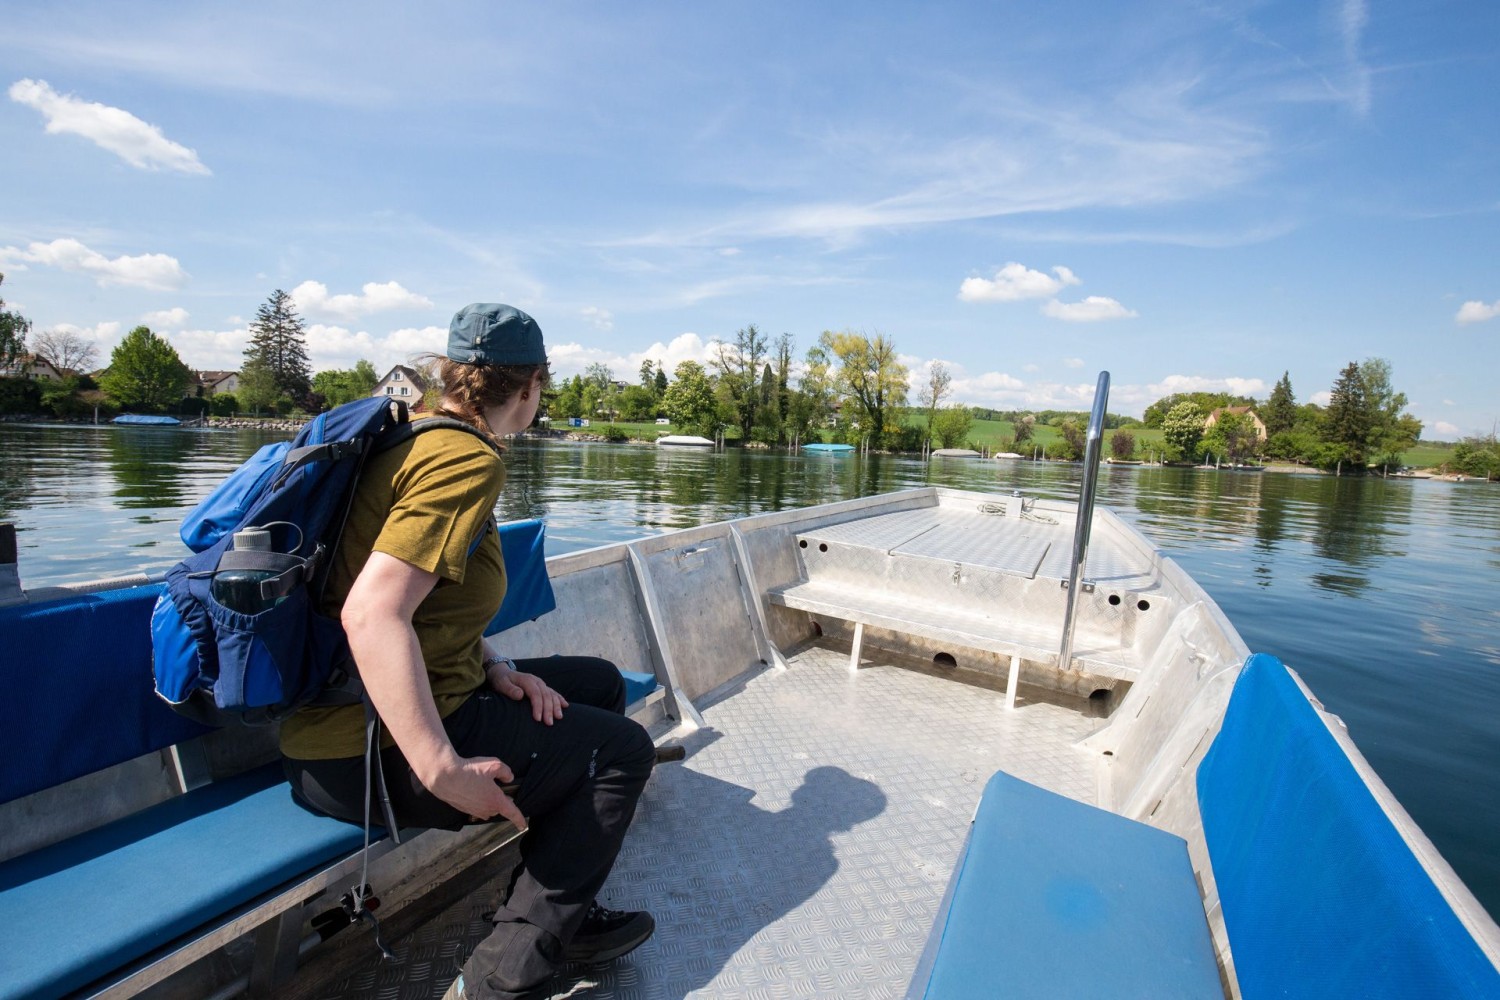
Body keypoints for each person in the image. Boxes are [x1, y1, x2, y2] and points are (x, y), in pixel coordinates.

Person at [281, 303, 657, 1000]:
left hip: (350, 718)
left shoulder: (415, 434)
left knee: (598, 686)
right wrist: (441, 766)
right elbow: (372, 612)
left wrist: (497, 667)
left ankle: (558, 912)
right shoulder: (464, 459)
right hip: (369, 751)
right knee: (621, 751)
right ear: (530, 387)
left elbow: (423, 606)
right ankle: (498, 984)